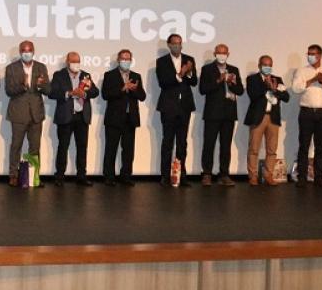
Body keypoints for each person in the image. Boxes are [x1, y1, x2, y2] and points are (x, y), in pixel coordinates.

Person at [4, 40, 50, 187]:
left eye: (29, 50)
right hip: (18, 113)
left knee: (35, 147)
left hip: (36, 113)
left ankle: (34, 177)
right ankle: (13, 175)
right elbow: (9, 91)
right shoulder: (11, 68)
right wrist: (22, 86)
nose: (27, 53)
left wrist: (41, 85)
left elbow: (48, 90)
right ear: (20, 52)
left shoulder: (41, 67)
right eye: (24, 50)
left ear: (33, 51)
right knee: (16, 146)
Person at [291, 44, 322, 187]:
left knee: (320, 146)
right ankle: (302, 177)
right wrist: (312, 79)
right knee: (303, 145)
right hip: (306, 112)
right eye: (308, 53)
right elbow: (295, 88)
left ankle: (319, 177)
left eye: (313, 54)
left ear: (320, 56)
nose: (310, 56)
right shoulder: (301, 71)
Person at [50, 52, 99, 186]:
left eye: (78, 61)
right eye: (73, 61)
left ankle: (81, 176)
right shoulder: (59, 75)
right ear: (67, 62)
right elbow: (52, 93)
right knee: (63, 147)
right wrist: (70, 93)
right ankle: (59, 176)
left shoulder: (85, 75)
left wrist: (84, 93)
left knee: (82, 148)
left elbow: (95, 92)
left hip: (82, 117)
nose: (76, 64)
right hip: (66, 117)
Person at [155, 33, 198, 187]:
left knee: (182, 143)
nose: (177, 46)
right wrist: (181, 73)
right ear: (168, 44)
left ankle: (181, 175)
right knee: (167, 142)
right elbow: (163, 83)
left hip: (185, 107)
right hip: (168, 107)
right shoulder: (161, 62)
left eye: (179, 43)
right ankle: (165, 176)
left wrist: (189, 72)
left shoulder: (189, 59)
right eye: (174, 43)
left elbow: (194, 82)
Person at [198, 43, 243, 187]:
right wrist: (219, 80)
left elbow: (240, 91)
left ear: (228, 54)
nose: (222, 55)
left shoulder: (234, 69)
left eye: (224, 53)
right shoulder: (207, 69)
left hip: (229, 114)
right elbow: (203, 89)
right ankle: (207, 174)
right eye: (219, 52)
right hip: (212, 113)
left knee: (226, 146)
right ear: (215, 54)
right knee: (209, 144)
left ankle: (224, 174)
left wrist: (231, 83)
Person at [100, 49, 146, 186]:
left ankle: (125, 176)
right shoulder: (110, 75)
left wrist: (134, 89)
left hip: (130, 118)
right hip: (114, 118)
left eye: (128, 59)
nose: (126, 61)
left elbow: (142, 96)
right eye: (123, 59)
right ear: (118, 60)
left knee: (128, 150)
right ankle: (109, 176)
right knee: (111, 148)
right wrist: (122, 88)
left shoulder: (136, 76)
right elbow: (105, 95)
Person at [244, 55, 289, 185]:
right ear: (259, 65)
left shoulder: (278, 79)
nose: (267, 67)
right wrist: (267, 86)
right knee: (254, 148)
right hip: (258, 117)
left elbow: (286, 97)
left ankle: (268, 175)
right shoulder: (252, 79)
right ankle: (253, 176)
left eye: (269, 65)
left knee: (271, 149)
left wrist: (275, 89)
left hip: (273, 118)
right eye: (265, 64)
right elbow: (253, 95)